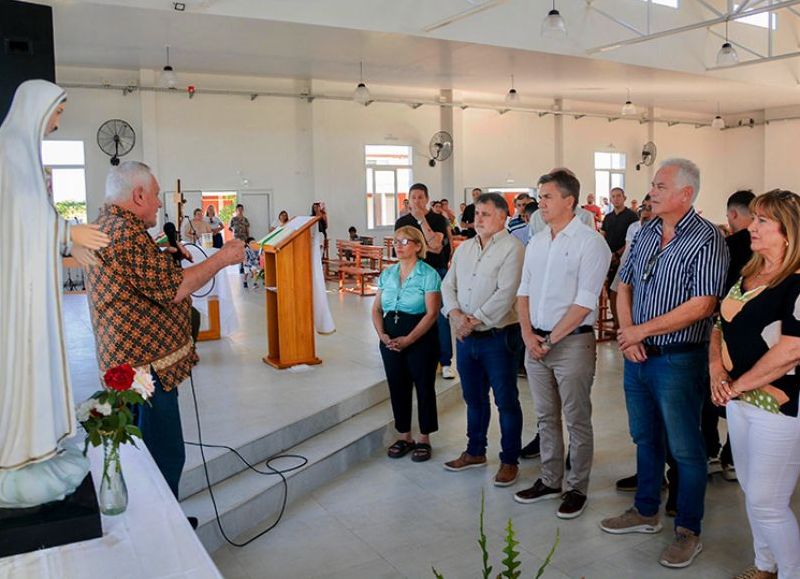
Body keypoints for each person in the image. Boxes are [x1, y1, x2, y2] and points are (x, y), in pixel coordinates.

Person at [86, 161, 245, 500]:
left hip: (129, 364)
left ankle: (157, 522)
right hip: (145, 370)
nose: (159, 203)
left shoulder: (110, 224)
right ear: (138, 195)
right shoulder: (125, 232)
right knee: (162, 455)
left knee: (142, 450)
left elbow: (135, 277)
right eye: (156, 195)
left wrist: (161, 253)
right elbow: (174, 288)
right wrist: (222, 258)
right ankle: (165, 533)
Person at [601, 159, 728, 569]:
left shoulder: (708, 239)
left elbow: (704, 304)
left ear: (685, 194)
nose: (650, 192)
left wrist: (642, 331)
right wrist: (627, 333)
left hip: (678, 359)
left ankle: (688, 530)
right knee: (645, 438)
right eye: (652, 185)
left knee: (686, 449)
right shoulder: (646, 231)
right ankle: (644, 511)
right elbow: (625, 283)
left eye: (659, 186)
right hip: (637, 357)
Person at [0, 80, 111, 508]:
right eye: (59, 111)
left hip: (30, 289)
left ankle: (38, 444)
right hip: (18, 297)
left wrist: (70, 244)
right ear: (38, 108)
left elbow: (31, 219)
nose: (59, 121)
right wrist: (68, 231)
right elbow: (21, 220)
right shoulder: (11, 149)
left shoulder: (23, 151)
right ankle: (17, 453)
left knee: (36, 363)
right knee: (23, 365)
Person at [710, 189, 800, 579]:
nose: (752, 226)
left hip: (777, 406)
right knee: (752, 490)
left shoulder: (795, 283)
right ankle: (766, 564)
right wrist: (716, 369)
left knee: (768, 500)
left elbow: (792, 350)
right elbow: (719, 323)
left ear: (788, 231)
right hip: (739, 400)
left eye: (763, 220)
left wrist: (739, 383)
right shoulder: (749, 270)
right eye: (754, 218)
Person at [513, 171, 611, 519]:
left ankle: (576, 487)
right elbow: (523, 291)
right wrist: (528, 335)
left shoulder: (590, 243)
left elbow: (585, 301)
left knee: (576, 418)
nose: (540, 202)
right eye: (540, 196)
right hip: (535, 340)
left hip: (571, 343)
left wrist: (551, 340)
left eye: (547, 196)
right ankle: (550, 479)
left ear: (569, 201)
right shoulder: (538, 241)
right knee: (544, 417)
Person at [441, 192, 525, 487]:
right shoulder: (464, 249)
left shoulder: (513, 248)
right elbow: (447, 285)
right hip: (467, 339)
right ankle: (475, 451)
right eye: (476, 213)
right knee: (473, 399)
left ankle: (509, 460)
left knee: (506, 400)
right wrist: (455, 314)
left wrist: (470, 320)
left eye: (485, 214)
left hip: (498, 337)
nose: (478, 219)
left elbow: (506, 293)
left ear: (503, 217)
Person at [371, 225, 442, 462]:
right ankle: (404, 436)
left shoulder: (428, 273)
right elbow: (377, 308)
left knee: (423, 386)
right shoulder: (388, 274)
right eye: (396, 242)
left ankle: (424, 438)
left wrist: (409, 339)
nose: (398, 246)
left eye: (404, 242)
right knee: (397, 386)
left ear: (418, 246)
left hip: (420, 337)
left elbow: (432, 313)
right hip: (390, 337)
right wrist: (382, 335)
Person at [703, 189, 757, 485]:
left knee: (713, 392)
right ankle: (732, 456)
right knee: (739, 393)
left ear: (733, 215)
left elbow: (715, 291)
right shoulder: (776, 252)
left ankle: (711, 452)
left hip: (726, 329)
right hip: (752, 336)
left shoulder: (728, 246)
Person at [395, 183, 455, 379]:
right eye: (413, 197)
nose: (417, 201)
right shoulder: (403, 222)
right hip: (411, 273)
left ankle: (446, 362)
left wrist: (422, 220)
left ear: (427, 199)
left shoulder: (438, 219)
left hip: (435, 272)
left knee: (439, 317)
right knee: (410, 315)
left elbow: (436, 247)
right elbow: (400, 248)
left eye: (421, 197)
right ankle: (412, 358)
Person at [601, 187, 638, 331]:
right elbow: (603, 235)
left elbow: (631, 241)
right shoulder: (608, 217)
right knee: (611, 290)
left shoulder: (631, 217)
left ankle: (625, 323)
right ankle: (617, 321)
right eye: (613, 196)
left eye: (618, 196)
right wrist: (606, 254)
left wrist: (617, 255)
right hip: (609, 258)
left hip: (624, 259)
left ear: (624, 198)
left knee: (623, 291)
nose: (616, 199)